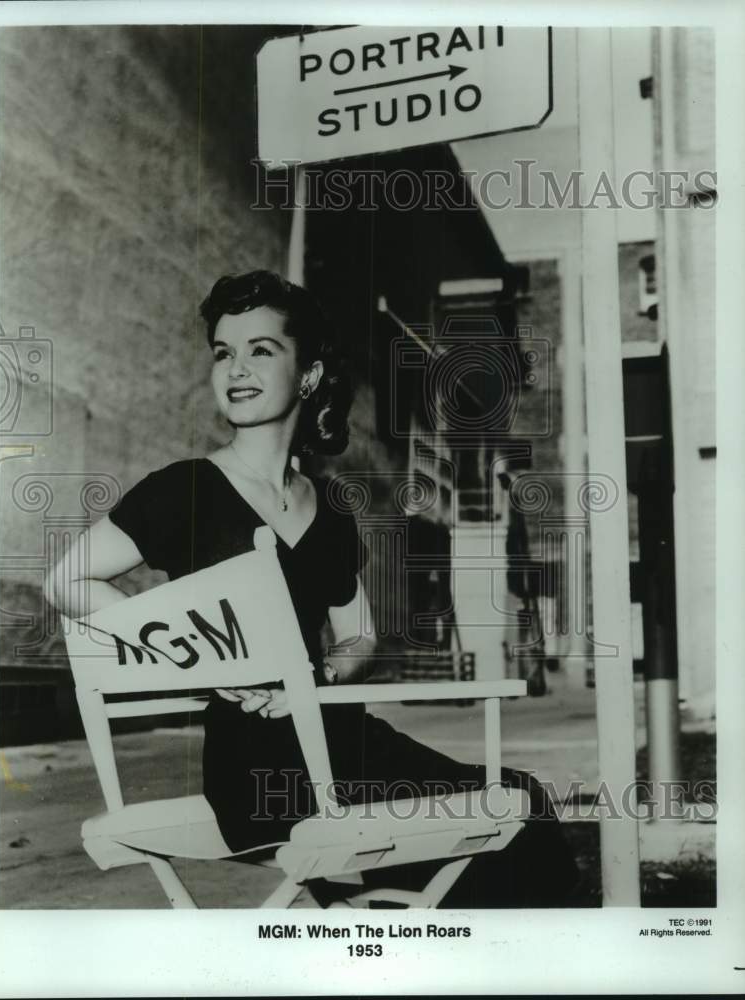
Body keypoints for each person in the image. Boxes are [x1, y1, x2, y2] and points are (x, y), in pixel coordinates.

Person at [45, 269, 578, 908]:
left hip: (346, 743)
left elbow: (362, 636)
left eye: (260, 350)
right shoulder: (184, 490)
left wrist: (326, 666)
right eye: (223, 352)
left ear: (307, 375)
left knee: (518, 802)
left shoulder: (327, 510)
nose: (236, 368)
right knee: (496, 821)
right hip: (261, 770)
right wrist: (205, 660)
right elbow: (67, 579)